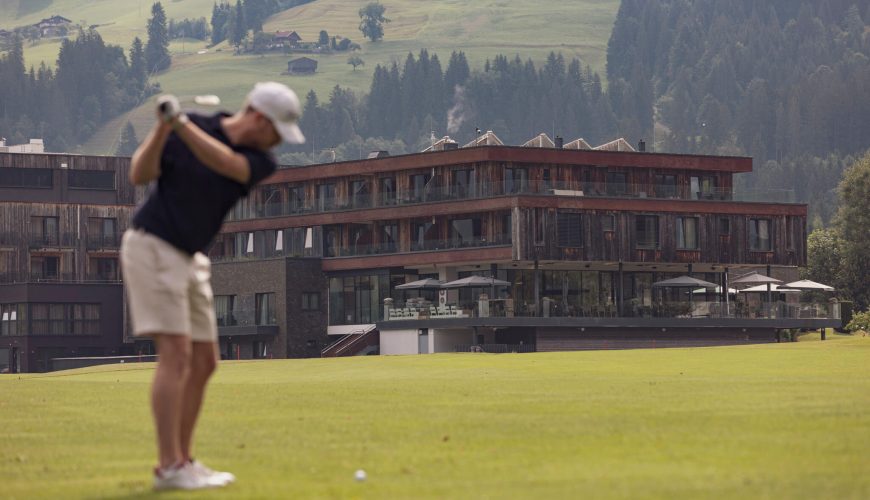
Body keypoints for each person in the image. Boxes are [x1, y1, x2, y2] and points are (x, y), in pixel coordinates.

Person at [120, 82, 304, 491]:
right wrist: (162, 128)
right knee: (176, 353)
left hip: (191, 256)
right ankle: (169, 466)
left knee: (205, 361)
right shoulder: (190, 126)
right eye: (276, 132)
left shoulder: (260, 160)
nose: (278, 142)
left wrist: (179, 123)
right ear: (259, 118)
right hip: (152, 245)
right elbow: (140, 173)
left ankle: (184, 460)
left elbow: (224, 162)